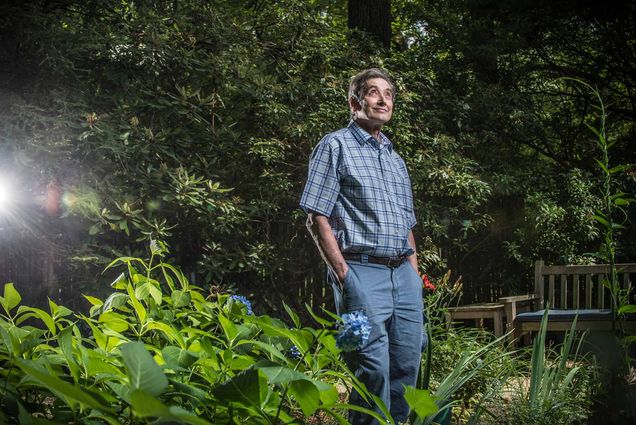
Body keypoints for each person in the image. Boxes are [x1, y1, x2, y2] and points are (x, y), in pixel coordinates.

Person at [300, 68, 424, 425]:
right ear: (355, 102)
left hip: (403, 274)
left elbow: (408, 224)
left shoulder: (395, 159)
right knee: (372, 370)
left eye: (389, 94)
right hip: (361, 270)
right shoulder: (335, 145)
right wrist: (343, 274)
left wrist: (414, 277)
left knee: (406, 367)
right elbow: (316, 216)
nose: (383, 99)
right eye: (374, 92)